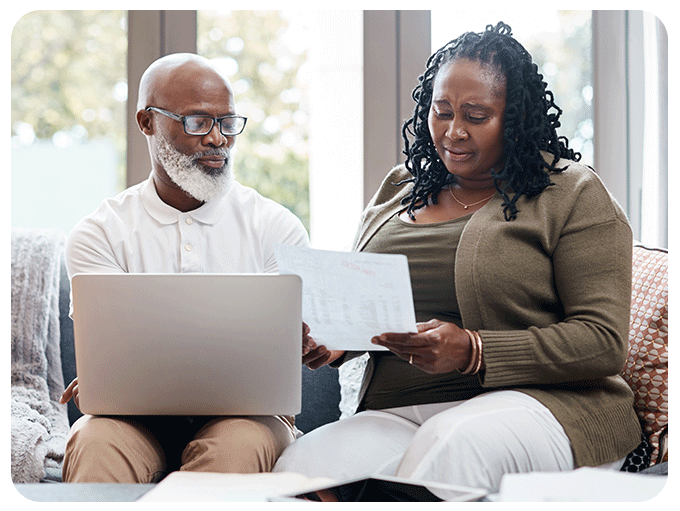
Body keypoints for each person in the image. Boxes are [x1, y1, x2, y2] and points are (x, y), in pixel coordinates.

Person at [277, 22, 642, 492]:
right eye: (442, 111)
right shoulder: (400, 189)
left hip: (542, 406)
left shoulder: (572, 192)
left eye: (476, 115)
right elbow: (371, 304)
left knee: (451, 446)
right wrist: (337, 342)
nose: (453, 132)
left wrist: (473, 350)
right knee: (298, 469)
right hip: (401, 410)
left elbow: (603, 340)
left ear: (514, 118)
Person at [59, 53, 310, 483]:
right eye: (197, 122)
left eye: (228, 123)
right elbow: (108, 360)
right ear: (146, 122)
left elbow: (287, 355)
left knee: (238, 447)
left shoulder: (276, 227)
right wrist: (110, 377)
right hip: (131, 420)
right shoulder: (98, 233)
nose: (218, 139)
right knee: (93, 442)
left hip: (247, 419)